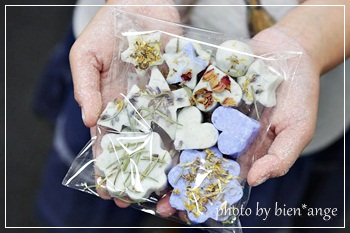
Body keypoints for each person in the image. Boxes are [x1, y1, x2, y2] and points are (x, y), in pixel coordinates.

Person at [34, 0, 349, 231]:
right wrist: (129, 9)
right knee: (86, 214)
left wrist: (306, 45)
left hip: (295, 107)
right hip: (125, 64)